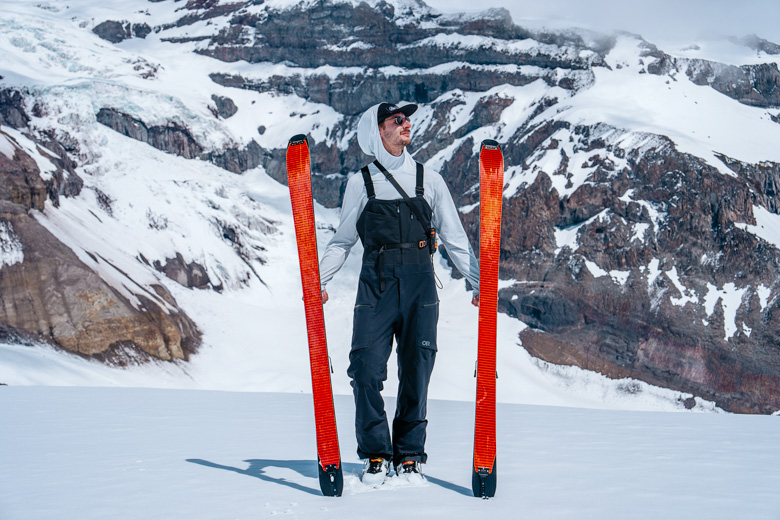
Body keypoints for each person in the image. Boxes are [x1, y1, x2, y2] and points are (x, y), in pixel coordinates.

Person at [319, 102, 480, 486]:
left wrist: (481, 283)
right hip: (375, 284)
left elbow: (456, 240)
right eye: (397, 119)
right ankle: (376, 453)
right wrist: (316, 281)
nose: (407, 123)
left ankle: (409, 455)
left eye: (406, 118)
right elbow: (342, 241)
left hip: (421, 284)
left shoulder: (431, 179)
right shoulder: (361, 182)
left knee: (417, 369)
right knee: (364, 368)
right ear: (377, 132)